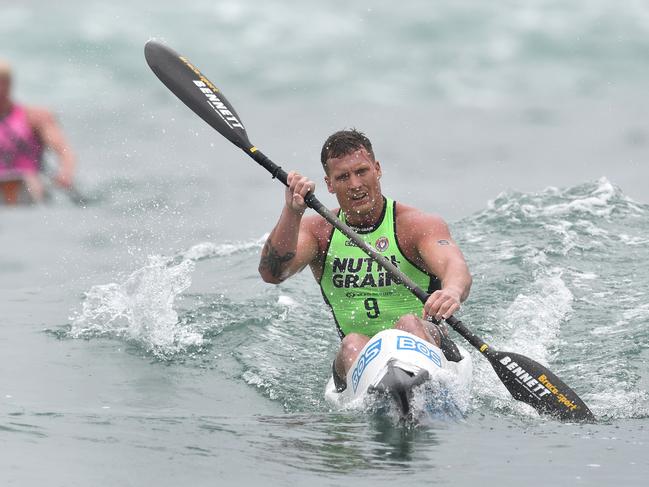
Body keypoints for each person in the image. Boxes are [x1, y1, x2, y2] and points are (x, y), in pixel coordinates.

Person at [259, 129, 472, 391]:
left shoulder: (414, 225)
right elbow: (272, 273)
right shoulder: (320, 232)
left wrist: (451, 291)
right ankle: (382, 393)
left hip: (427, 343)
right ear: (329, 184)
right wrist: (292, 212)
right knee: (351, 342)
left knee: (408, 323)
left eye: (362, 171)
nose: (355, 184)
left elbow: (454, 266)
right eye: (343, 177)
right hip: (360, 361)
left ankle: (420, 389)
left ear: (377, 169)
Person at [0, 59, 76, 204]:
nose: (0, 88)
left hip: (30, 183)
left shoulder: (36, 117)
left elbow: (64, 151)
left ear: (11, 84)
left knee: (30, 181)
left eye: (4, 82)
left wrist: (65, 173)